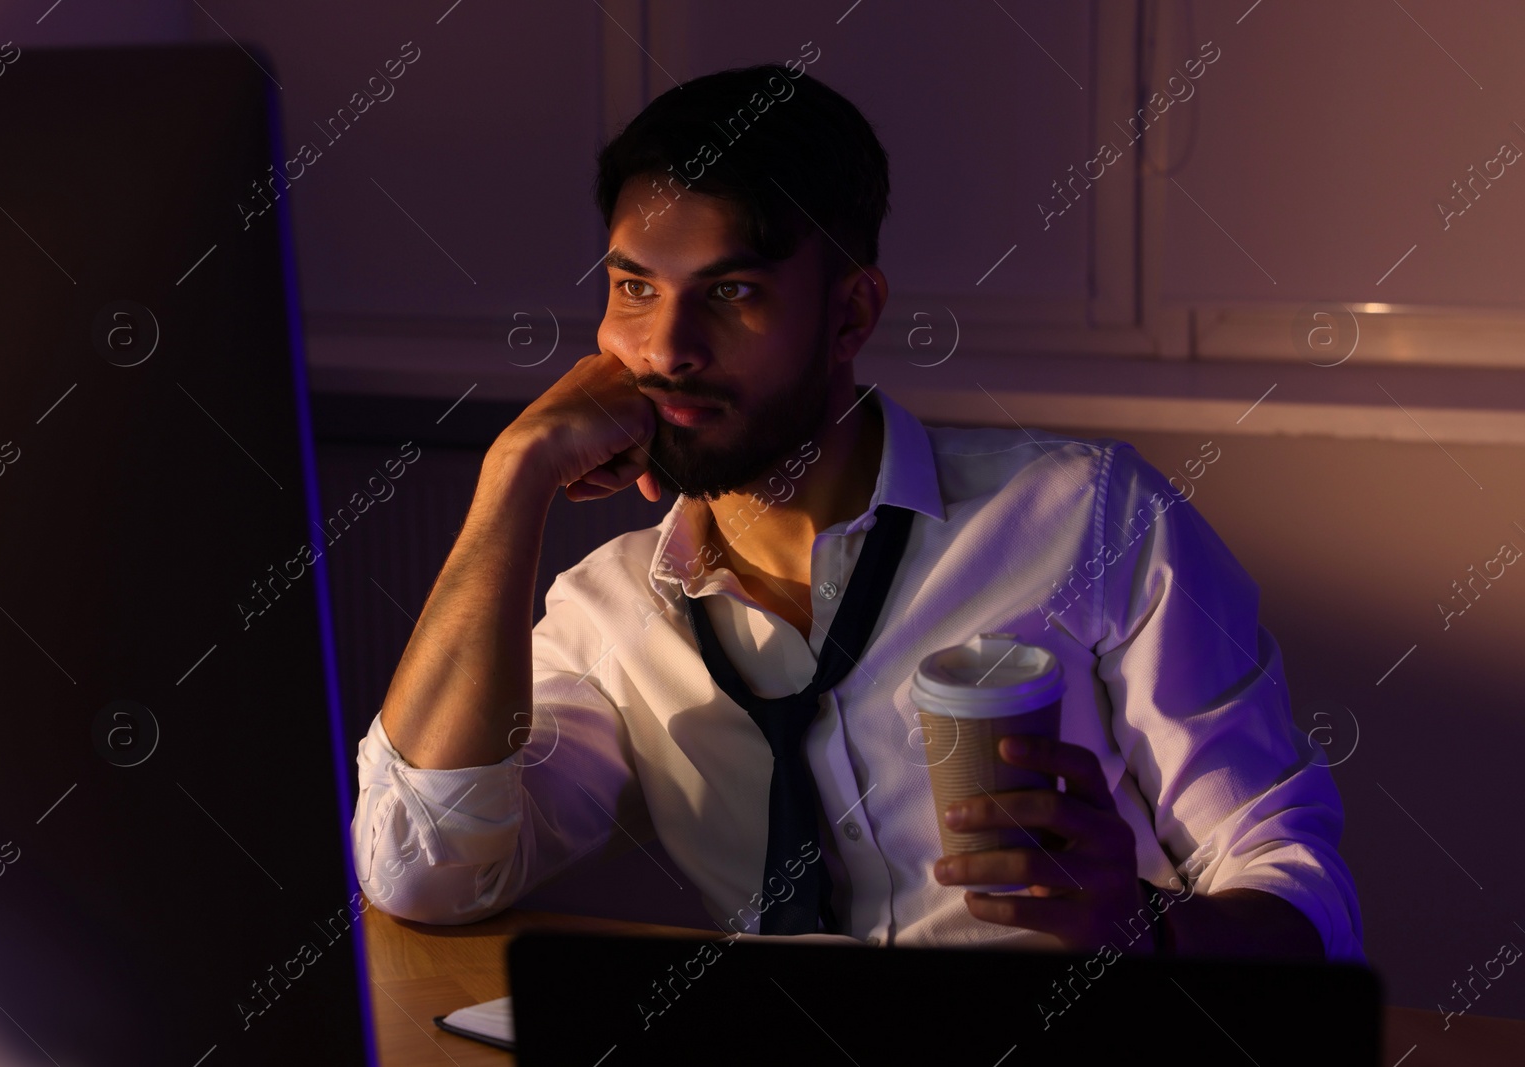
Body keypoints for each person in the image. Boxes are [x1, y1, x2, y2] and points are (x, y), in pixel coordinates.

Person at [349, 62, 1362, 959]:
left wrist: (1144, 931)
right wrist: (512, 478)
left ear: (851, 313)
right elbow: (424, 871)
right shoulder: (612, 606)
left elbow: (1301, 896)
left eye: (731, 292)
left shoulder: (1090, 520)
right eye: (633, 289)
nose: (664, 350)